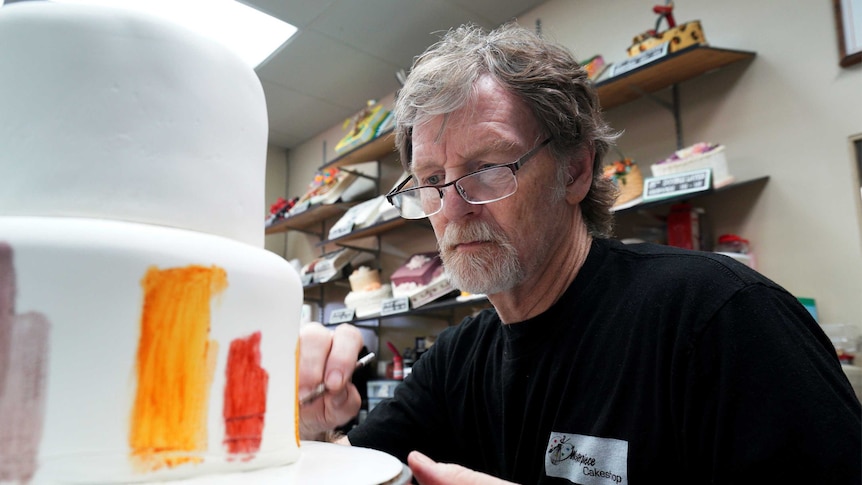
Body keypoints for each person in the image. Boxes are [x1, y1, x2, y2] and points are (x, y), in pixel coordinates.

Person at [298, 22, 862, 484]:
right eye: (430, 180)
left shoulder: (721, 317)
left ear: (576, 170)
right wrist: (315, 428)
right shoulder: (456, 358)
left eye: (488, 169)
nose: (453, 207)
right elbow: (361, 469)